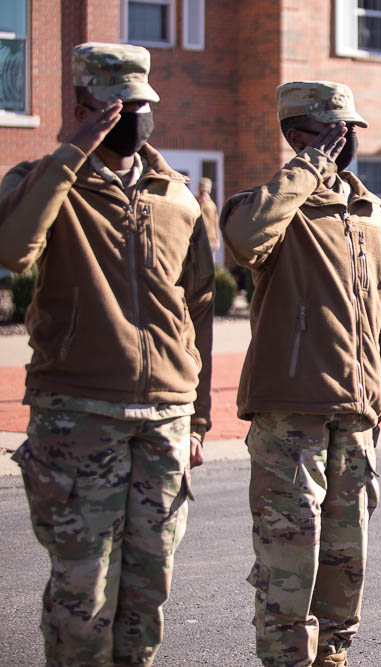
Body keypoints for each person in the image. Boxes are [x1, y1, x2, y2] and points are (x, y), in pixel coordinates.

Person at [0, 42, 213, 666]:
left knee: (148, 590)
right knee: (83, 591)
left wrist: (197, 417)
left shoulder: (177, 194)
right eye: (114, 105)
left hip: (166, 418)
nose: (130, 116)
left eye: (141, 104)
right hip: (78, 414)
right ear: (81, 106)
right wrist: (69, 152)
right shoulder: (40, 181)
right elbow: (13, 252)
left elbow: (193, 308)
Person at [221, 81, 381, 667]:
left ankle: (334, 655)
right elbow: (244, 242)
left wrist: (374, 392)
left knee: (348, 555)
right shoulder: (261, 205)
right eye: (333, 131)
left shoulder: (369, 213)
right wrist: (307, 169)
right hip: (291, 408)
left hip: (355, 409)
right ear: (297, 134)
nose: (347, 142)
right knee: (290, 558)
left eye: (351, 132)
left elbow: (376, 308)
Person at [197, 176, 220, 256]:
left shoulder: (211, 205)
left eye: (205, 191)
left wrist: (217, 239)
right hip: (198, 239)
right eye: (202, 191)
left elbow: (215, 222)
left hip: (210, 239)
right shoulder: (195, 202)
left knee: (208, 264)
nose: (204, 194)